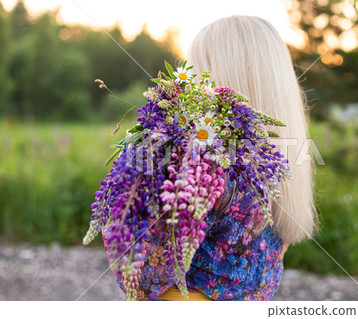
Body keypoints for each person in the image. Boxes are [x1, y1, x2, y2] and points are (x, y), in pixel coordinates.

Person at [112, 15, 317, 301]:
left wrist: (137, 168)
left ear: (213, 76)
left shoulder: (202, 165)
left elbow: (140, 277)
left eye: (194, 68)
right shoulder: (280, 165)